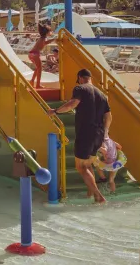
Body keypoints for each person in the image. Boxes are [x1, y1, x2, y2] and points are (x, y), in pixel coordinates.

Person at [47, 69, 111, 203]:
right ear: (90, 78)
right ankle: (91, 194)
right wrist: (105, 134)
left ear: (80, 78)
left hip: (85, 132)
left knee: (80, 166)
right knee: (88, 165)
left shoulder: (80, 88)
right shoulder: (102, 94)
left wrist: (55, 111)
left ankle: (98, 196)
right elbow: (108, 117)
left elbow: (73, 104)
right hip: (98, 134)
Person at [29, 24, 57, 89]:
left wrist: (53, 39)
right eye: (50, 31)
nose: (51, 32)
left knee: (37, 68)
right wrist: (53, 39)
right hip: (35, 54)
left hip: (31, 54)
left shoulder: (42, 38)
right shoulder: (43, 38)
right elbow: (45, 43)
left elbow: (45, 43)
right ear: (47, 33)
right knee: (40, 69)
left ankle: (32, 81)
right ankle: (38, 85)